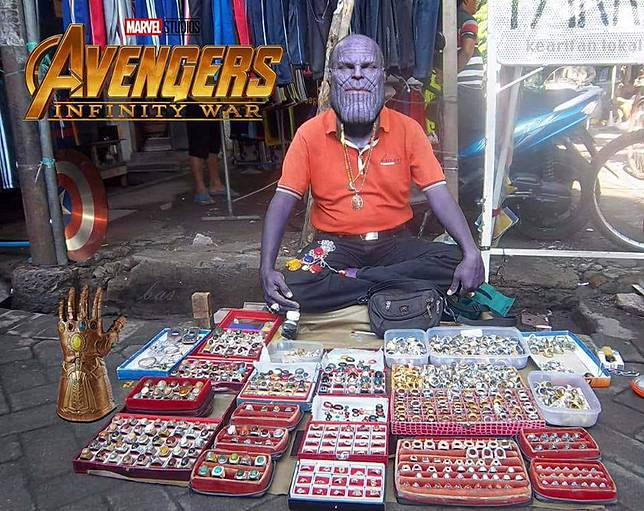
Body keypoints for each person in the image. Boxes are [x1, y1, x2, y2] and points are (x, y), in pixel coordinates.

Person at [259, 34, 484, 314]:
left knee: (455, 260)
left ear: (382, 76)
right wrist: (266, 268)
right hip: (335, 246)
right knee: (296, 283)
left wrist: (471, 250)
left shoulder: (408, 129)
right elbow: (283, 200)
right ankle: (395, 288)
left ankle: (354, 282)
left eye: (368, 66)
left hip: (395, 244)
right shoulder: (309, 133)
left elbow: (438, 193)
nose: (357, 75)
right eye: (346, 67)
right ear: (331, 77)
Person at [185, 103, 234, 205]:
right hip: (196, 102)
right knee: (197, 145)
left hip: (212, 103)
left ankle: (216, 184)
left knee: (214, 144)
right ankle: (200, 189)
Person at [457, 0, 485, 150]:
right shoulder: (467, 19)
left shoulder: (450, 20)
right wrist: (451, 74)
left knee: (459, 135)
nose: (477, 3)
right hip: (467, 91)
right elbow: (467, 50)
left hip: (462, 89)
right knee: (474, 137)